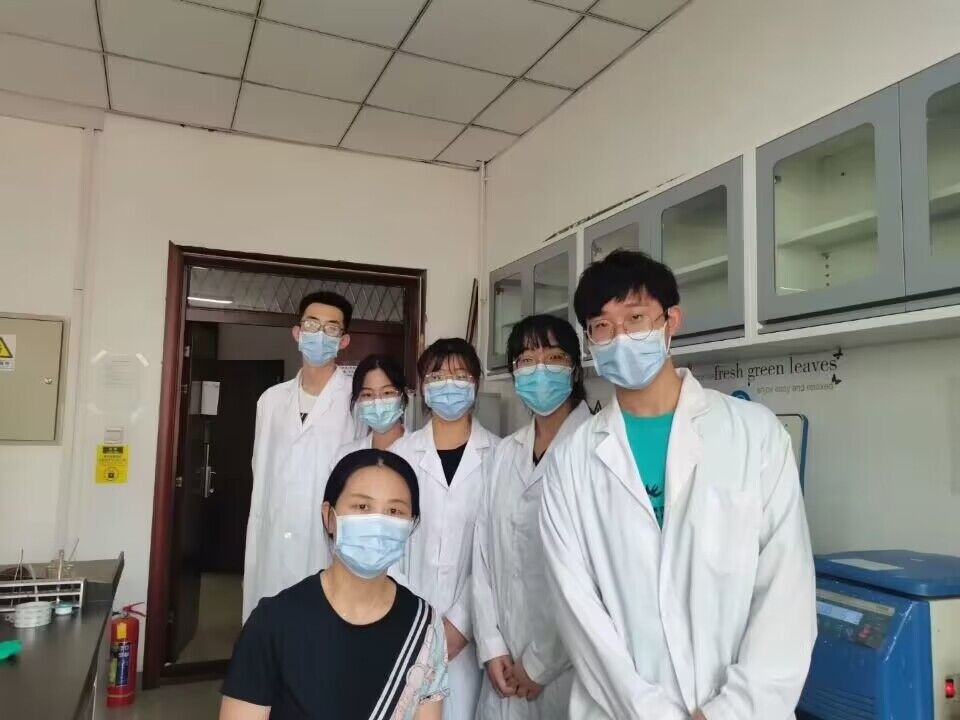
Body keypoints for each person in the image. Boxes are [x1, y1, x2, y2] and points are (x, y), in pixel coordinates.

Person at [539, 250, 817, 720]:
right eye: (602, 326)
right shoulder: (571, 462)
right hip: (618, 711)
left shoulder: (755, 434)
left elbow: (786, 592)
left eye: (636, 318)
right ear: (590, 341)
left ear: (671, 321)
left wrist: (729, 712)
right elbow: (578, 613)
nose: (620, 337)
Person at [221, 449, 449, 720]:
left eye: (394, 511)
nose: (378, 524)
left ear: (411, 525)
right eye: (362, 507)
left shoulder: (424, 625)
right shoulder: (273, 622)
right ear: (329, 516)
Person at [472, 314, 592, 720]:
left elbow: (595, 578)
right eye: (526, 360)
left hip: (568, 673)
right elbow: (482, 557)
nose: (540, 370)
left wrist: (539, 665)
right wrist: (491, 646)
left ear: (575, 369)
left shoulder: (597, 451)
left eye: (553, 358)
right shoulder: (505, 453)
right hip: (502, 668)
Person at [391, 338, 500, 720]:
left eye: (460, 376)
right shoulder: (402, 455)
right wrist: (411, 616)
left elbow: (496, 554)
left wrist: (459, 624)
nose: (448, 385)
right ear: (422, 387)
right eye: (437, 376)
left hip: (469, 636)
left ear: (476, 384)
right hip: (405, 623)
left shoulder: (500, 456)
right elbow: (390, 544)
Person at [243, 291, 358, 621]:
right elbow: (261, 470)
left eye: (331, 328)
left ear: (344, 340)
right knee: (269, 631)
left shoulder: (355, 401)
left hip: (324, 547)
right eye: (311, 324)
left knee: (319, 631)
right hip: (271, 544)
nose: (320, 334)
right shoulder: (270, 401)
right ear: (297, 333)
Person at [336, 353, 409, 459]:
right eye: (368, 394)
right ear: (358, 400)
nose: (377, 403)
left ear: (402, 396)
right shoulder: (345, 456)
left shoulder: (420, 451)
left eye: (387, 393)